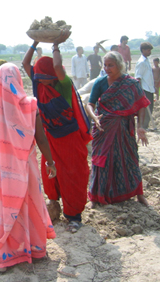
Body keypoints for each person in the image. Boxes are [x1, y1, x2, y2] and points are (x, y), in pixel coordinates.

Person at [0, 63, 56, 272]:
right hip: (26, 167)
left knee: (6, 207)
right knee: (30, 204)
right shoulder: (30, 105)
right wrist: (50, 163)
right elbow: (41, 139)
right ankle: (35, 248)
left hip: (0, 170)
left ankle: (7, 255)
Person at [22, 31, 92, 233]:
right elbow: (26, 64)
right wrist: (35, 42)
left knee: (73, 175)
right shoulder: (39, 85)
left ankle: (74, 216)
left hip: (69, 139)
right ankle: (55, 206)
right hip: (51, 138)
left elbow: (57, 67)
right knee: (51, 175)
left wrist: (55, 46)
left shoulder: (62, 84)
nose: (37, 76)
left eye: (41, 74)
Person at [86, 51, 150, 207]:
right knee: (100, 161)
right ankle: (96, 196)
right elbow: (90, 103)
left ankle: (138, 194)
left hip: (124, 129)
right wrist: (94, 117)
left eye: (111, 65)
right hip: (103, 128)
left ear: (119, 65)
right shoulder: (100, 82)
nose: (107, 68)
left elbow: (141, 104)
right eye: (105, 65)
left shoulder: (131, 84)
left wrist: (141, 126)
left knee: (130, 160)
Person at [135, 42, 155, 130]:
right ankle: (143, 126)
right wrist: (140, 91)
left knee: (150, 107)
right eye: (148, 50)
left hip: (150, 88)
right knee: (145, 109)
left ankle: (146, 125)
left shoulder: (146, 60)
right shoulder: (141, 62)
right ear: (143, 50)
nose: (149, 52)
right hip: (145, 89)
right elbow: (138, 78)